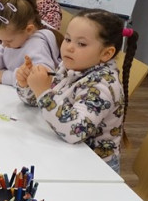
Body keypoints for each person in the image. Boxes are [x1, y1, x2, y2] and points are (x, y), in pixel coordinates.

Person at [15, 9, 137, 172]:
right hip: (66, 152)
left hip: (94, 169)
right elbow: (39, 103)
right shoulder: (70, 66)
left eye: (81, 44)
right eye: (67, 39)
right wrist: (28, 85)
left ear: (106, 53)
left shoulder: (102, 86)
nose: (69, 48)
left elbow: (74, 131)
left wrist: (43, 92)